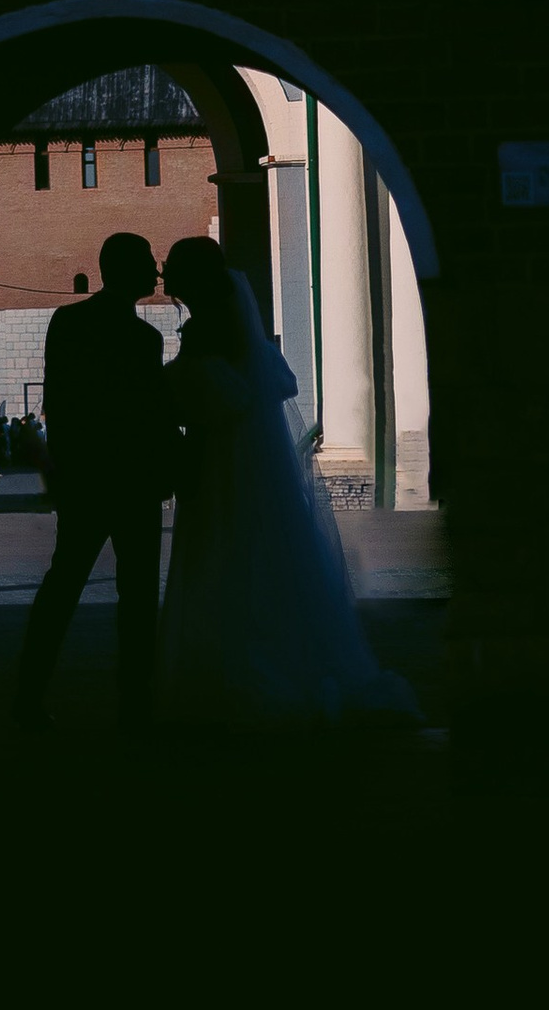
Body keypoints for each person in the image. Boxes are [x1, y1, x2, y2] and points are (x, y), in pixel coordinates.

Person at [157, 234, 419, 728]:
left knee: (221, 551)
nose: (163, 272)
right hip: (243, 457)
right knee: (255, 550)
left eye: (169, 265)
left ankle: (234, 672)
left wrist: (166, 390)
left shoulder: (203, 330)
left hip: (219, 460)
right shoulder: (235, 326)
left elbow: (219, 395)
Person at [12, 232, 176, 734]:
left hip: (84, 481)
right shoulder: (144, 340)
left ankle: (27, 695)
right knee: (138, 596)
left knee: (61, 587)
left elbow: (59, 404)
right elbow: (150, 417)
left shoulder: (68, 322)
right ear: (124, 268)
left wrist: (59, 473)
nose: (156, 270)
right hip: (135, 484)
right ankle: (134, 703)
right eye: (148, 261)